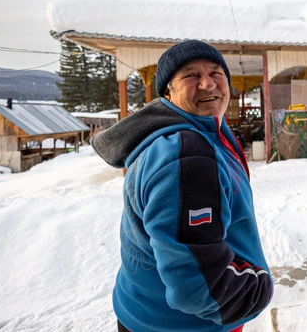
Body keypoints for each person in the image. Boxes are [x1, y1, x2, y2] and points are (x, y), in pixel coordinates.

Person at [92, 40, 273, 332]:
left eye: (216, 73)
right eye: (190, 75)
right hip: (184, 326)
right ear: (168, 92)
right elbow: (198, 287)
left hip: (142, 310)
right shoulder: (188, 155)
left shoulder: (197, 134)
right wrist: (257, 292)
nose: (207, 84)